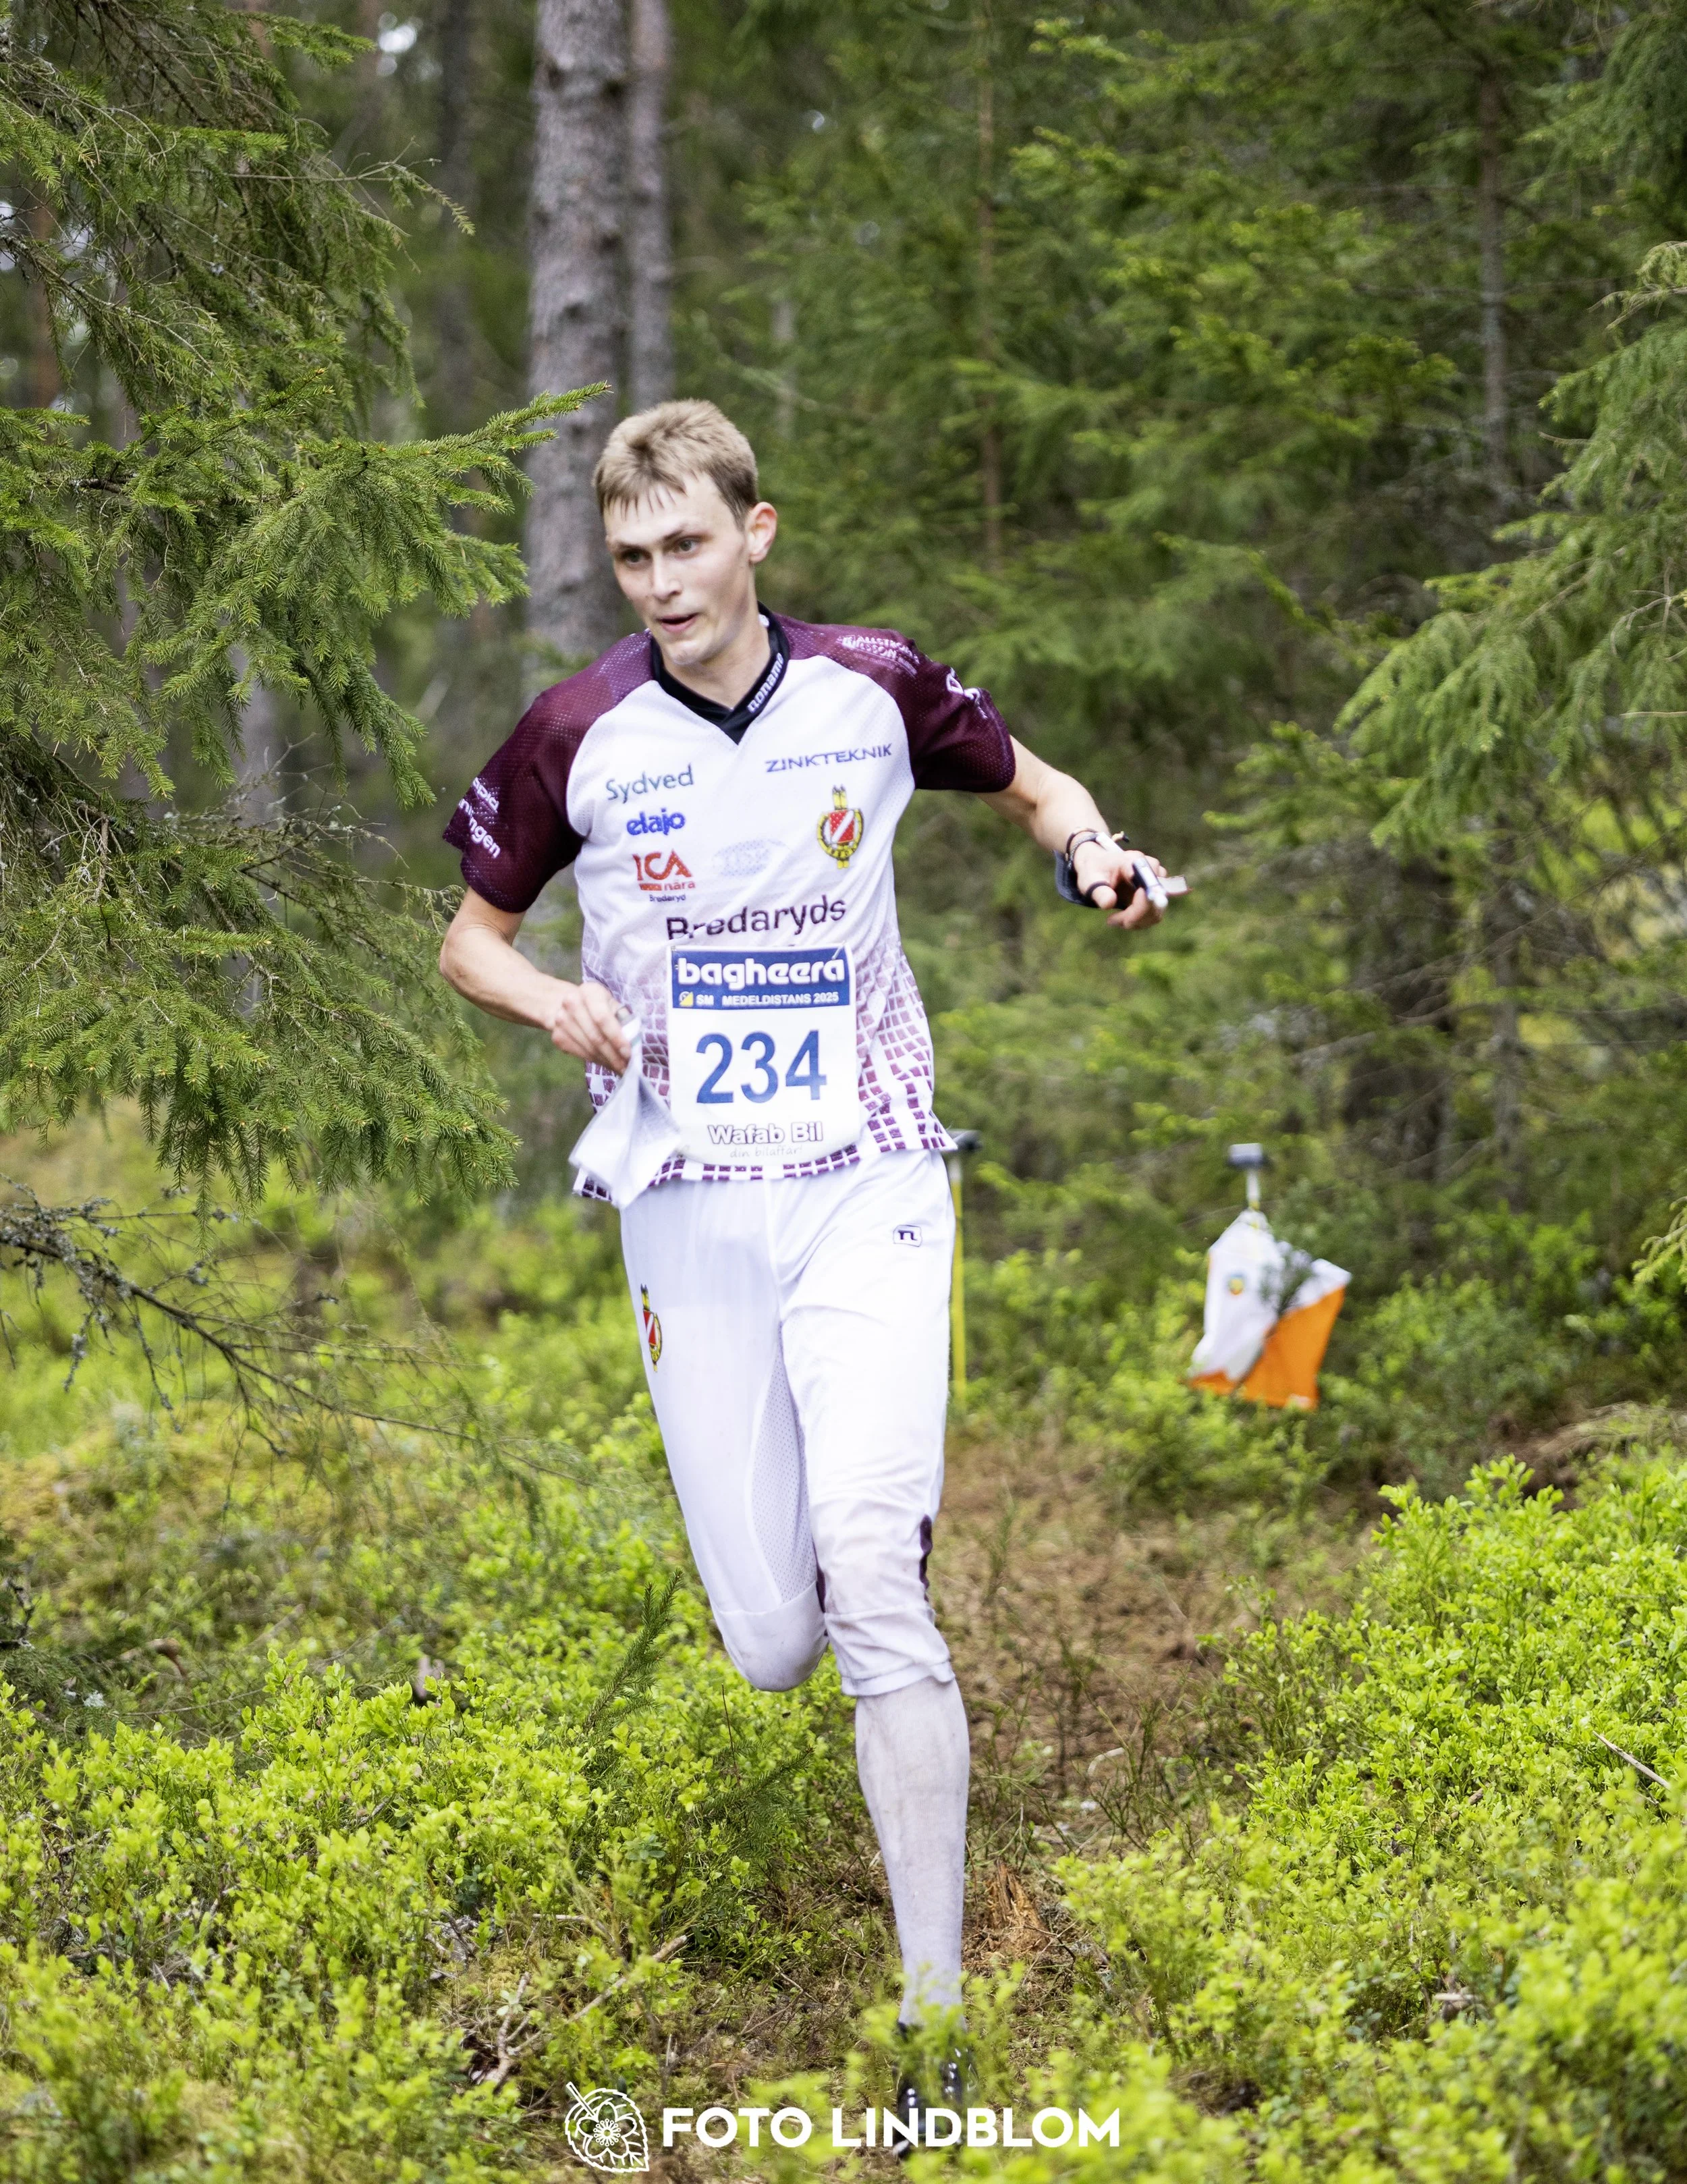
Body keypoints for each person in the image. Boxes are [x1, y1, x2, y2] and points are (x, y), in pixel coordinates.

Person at [438, 400, 1169, 2133]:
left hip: (866, 1178)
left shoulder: (871, 684)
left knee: (866, 1572)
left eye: (688, 544)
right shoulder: (577, 733)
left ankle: (934, 2038)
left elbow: (1041, 787)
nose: (663, 583)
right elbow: (470, 937)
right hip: (688, 1198)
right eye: (632, 558)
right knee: (773, 1643)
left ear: (755, 533)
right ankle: (842, 1578)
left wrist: (1091, 855)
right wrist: (556, 1003)